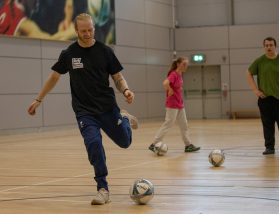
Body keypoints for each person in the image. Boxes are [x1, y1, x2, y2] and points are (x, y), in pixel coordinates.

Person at [27, 13, 138, 205]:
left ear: (94, 28)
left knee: (125, 142)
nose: (87, 34)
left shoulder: (105, 51)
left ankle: (125, 119)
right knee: (94, 144)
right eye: (83, 31)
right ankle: (102, 188)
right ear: (76, 31)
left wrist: (126, 90)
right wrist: (39, 99)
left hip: (108, 108)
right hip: (84, 111)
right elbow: (54, 77)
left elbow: (118, 78)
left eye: (90, 30)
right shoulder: (69, 54)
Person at [247, 36, 279, 155]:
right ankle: (269, 148)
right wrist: (255, 90)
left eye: (271, 45)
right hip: (265, 99)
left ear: (275, 46)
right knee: (267, 125)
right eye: (267, 45)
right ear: (264, 47)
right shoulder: (259, 61)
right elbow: (248, 73)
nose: (269, 47)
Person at [148, 57, 200, 153]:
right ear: (178, 64)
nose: (186, 66)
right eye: (184, 64)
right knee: (168, 124)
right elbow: (165, 83)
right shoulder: (174, 74)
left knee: (184, 125)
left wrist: (178, 89)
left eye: (186, 64)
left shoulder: (180, 75)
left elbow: (176, 85)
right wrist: (170, 89)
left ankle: (188, 145)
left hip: (179, 103)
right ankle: (154, 144)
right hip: (172, 104)